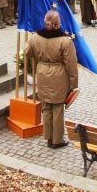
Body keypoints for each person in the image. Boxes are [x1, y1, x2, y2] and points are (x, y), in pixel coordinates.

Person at [23, 10, 78, 149]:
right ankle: (57, 140)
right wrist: (74, 85)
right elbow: (71, 65)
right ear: (58, 23)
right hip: (58, 75)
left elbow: (27, 51)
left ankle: (48, 137)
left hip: (42, 73)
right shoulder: (65, 41)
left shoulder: (36, 37)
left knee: (46, 106)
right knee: (57, 108)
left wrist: (32, 41)